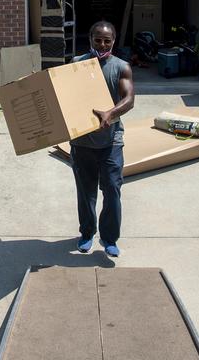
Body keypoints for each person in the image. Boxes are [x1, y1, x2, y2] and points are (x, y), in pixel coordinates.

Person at [70, 21, 135, 257]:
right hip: (82, 141)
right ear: (90, 39)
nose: (102, 44)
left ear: (114, 41)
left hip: (111, 140)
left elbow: (129, 99)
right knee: (86, 192)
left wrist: (111, 113)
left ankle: (109, 239)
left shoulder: (121, 66)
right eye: (98, 39)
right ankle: (87, 233)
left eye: (107, 40)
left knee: (112, 190)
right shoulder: (76, 64)